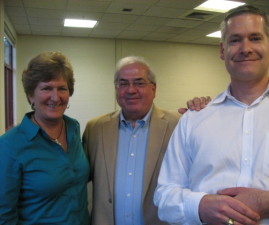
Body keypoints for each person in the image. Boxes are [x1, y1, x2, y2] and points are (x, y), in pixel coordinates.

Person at [154, 5, 269, 225]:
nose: (245, 48)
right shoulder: (195, 119)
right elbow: (165, 195)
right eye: (235, 40)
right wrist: (200, 206)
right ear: (222, 51)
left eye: (255, 38)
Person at [82, 56, 210, 225]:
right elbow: (77, 178)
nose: (131, 90)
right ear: (116, 89)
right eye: (123, 83)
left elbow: (203, 173)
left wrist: (207, 114)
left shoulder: (178, 124)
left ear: (154, 89)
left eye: (139, 83)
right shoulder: (96, 128)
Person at [0, 52, 90, 224]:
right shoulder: (9, 146)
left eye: (62, 88)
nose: (55, 97)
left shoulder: (74, 128)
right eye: (46, 88)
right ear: (31, 95)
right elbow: (4, 214)